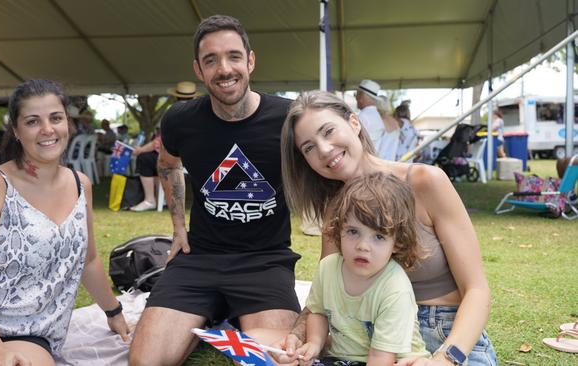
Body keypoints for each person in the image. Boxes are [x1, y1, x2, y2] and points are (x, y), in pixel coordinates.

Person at [128, 15, 301, 365]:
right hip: (199, 259)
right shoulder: (180, 119)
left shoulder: (289, 119)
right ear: (198, 69)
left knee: (276, 362)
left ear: (250, 60)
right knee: (144, 362)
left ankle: (226, 314)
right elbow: (167, 163)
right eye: (211, 60)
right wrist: (178, 227)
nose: (224, 69)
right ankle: (210, 311)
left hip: (264, 261)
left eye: (234, 56)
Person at [276, 91, 496, 366]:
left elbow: (477, 290)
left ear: (354, 123)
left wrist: (444, 359)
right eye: (308, 147)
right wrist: (299, 333)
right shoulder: (336, 209)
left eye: (328, 131)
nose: (323, 149)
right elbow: (325, 289)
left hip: (443, 331)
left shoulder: (425, 182)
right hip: (367, 339)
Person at [0, 79, 129, 366]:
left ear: (67, 124)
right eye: (33, 121)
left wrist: (114, 313)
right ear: (16, 131)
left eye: (56, 118)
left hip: (27, 329)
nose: (47, 130)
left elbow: (89, 260)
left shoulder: (80, 184)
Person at [285, 173, 430, 365]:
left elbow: (381, 358)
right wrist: (314, 343)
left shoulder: (395, 288)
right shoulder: (328, 268)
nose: (363, 246)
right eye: (353, 231)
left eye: (378, 237)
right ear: (339, 230)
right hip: (341, 358)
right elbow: (317, 312)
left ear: (397, 243)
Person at [129, 82, 200, 212]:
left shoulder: (174, 114)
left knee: (145, 158)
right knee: (155, 159)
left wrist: (140, 150)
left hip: (179, 159)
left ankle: (150, 199)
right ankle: (163, 198)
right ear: (194, 98)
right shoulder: (200, 114)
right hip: (196, 158)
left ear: (176, 98)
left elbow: (158, 143)